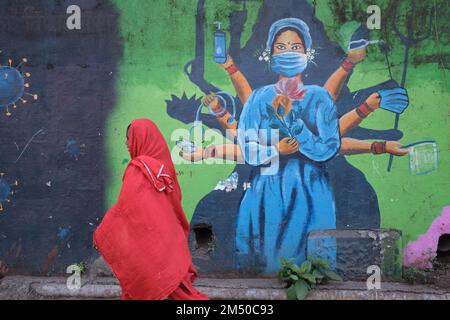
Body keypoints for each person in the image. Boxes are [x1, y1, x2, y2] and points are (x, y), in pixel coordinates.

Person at [93, 119, 208, 300]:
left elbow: (127, 206)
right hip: (168, 239)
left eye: (129, 138)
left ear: (140, 139)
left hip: (150, 243)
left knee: (149, 285)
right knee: (174, 286)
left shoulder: (138, 168)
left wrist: (103, 232)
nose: (126, 143)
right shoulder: (163, 167)